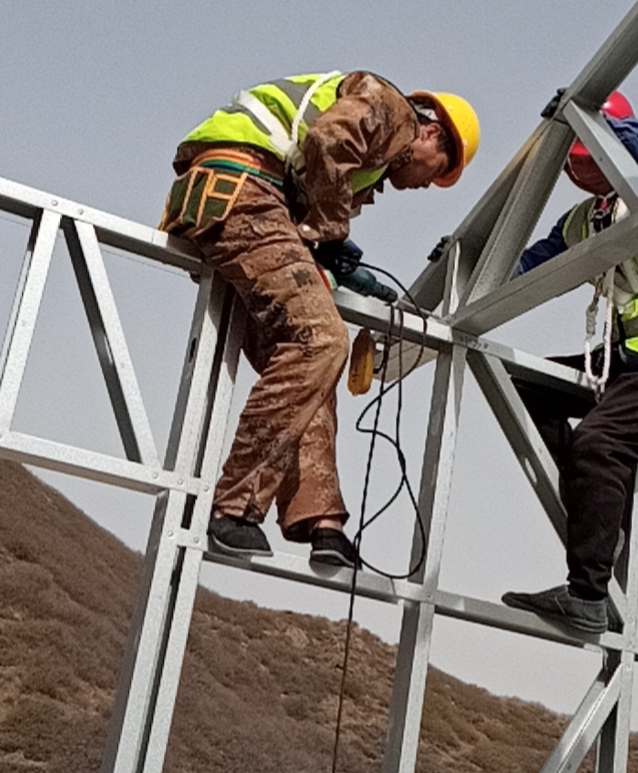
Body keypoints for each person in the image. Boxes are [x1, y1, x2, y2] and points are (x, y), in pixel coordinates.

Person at [162, 71, 479, 567]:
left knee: (312, 363)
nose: (425, 187)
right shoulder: (391, 109)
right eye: (436, 174)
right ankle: (234, 508)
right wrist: (327, 231)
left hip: (241, 196)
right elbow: (329, 141)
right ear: (434, 135)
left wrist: (327, 246)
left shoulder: (375, 157)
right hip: (243, 188)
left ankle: (321, 521)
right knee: (322, 342)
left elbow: (319, 171)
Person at [502, 91, 638, 632]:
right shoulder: (583, 221)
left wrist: (600, 121)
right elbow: (522, 270)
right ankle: (597, 510)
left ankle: (587, 594)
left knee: (599, 445)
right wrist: (469, 277)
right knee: (523, 385)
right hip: (628, 361)